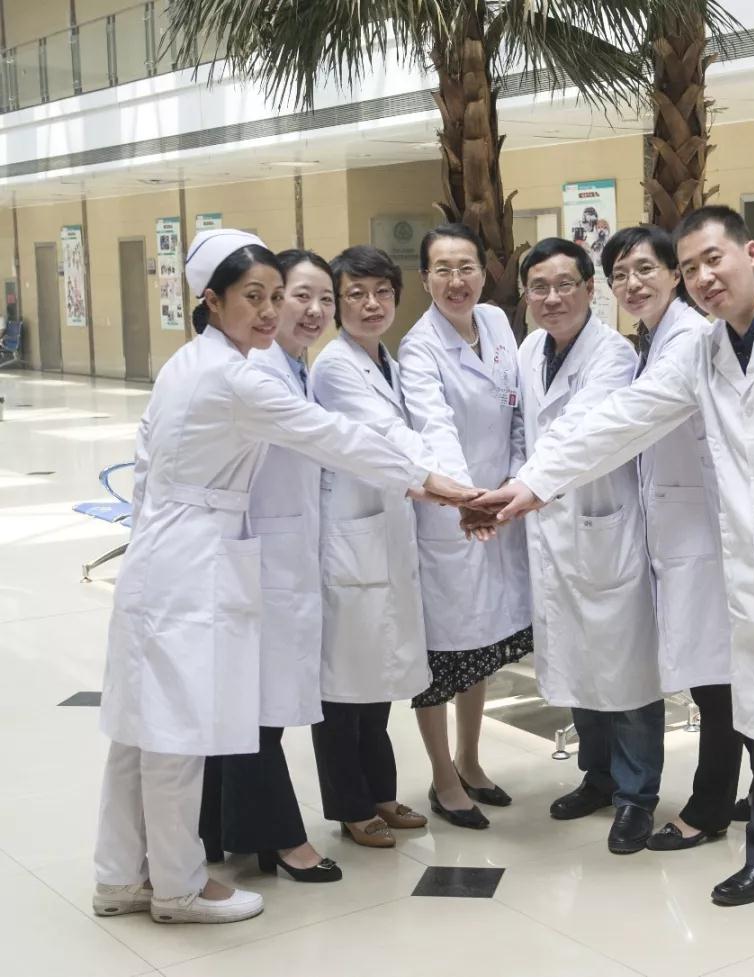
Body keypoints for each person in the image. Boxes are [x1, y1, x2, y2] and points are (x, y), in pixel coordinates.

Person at [471, 206, 754, 920]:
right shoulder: (705, 352)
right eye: (690, 268)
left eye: (713, 259)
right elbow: (624, 419)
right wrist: (533, 484)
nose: (704, 277)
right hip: (753, 563)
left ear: (751, 253)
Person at [92, 229, 476, 925]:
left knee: (139, 727)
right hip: (194, 564)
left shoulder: (187, 364)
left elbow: (147, 465)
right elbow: (332, 435)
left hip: (163, 551)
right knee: (177, 732)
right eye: (255, 297)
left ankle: (120, 875)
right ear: (212, 300)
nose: (270, 312)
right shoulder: (236, 376)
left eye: (277, 296)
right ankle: (178, 887)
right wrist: (430, 481)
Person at [513, 237, 664, 855]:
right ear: (525, 295)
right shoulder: (529, 350)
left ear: (589, 290)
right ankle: (597, 777)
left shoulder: (613, 355)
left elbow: (580, 432)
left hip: (604, 525)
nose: (552, 298)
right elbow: (525, 429)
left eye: (564, 285)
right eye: (539, 287)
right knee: (577, 660)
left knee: (624, 669)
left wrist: (523, 486)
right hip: (551, 524)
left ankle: (637, 796)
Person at [198, 249, 342, 883]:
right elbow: (336, 442)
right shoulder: (257, 373)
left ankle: (216, 828)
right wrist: (430, 482)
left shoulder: (292, 367)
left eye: (322, 298)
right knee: (257, 706)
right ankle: (282, 838)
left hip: (275, 555)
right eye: (295, 296)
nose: (310, 310)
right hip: (253, 558)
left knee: (252, 702)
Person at [599, 225, 744, 852]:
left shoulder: (685, 340)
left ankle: (708, 809)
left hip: (704, 534)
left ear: (673, 276)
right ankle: (744, 794)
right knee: (720, 676)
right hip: (683, 531)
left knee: (717, 682)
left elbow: (628, 423)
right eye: (619, 275)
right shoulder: (655, 339)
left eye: (644, 269)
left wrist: (535, 483)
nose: (632, 284)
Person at [398, 223, 533, 830]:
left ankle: (471, 761)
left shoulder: (498, 323)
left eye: (467, 267)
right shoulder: (418, 347)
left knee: (481, 645)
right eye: (443, 270)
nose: (457, 281)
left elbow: (517, 411)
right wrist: (468, 500)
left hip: (498, 505)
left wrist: (518, 477)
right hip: (452, 517)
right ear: (424, 278)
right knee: (442, 653)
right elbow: (435, 430)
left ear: (484, 272)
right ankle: (443, 778)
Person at [309, 245, 434, 849]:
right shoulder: (334, 368)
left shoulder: (389, 361)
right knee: (344, 689)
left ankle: (381, 792)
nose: (371, 304)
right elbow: (388, 438)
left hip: (383, 535)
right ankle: (351, 806)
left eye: (382, 292)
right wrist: (453, 487)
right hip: (350, 540)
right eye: (355, 294)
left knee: (377, 679)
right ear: (338, 304)